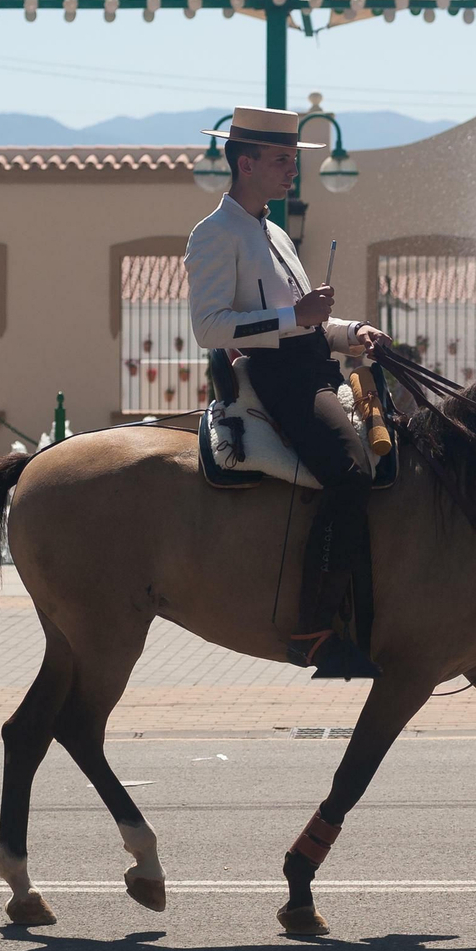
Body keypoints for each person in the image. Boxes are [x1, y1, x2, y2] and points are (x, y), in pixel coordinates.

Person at [185, 106, 391, 680]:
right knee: (351, 472)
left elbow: (305, 323)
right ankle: (315, 628)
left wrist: (351, 332)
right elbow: (209, 327)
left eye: (292, 161)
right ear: (245, 163)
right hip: (279, 380)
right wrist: (293, 314)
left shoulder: (273, 231)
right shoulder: (213, 234)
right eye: (282, 161)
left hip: (315, 367)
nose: (292, 171)